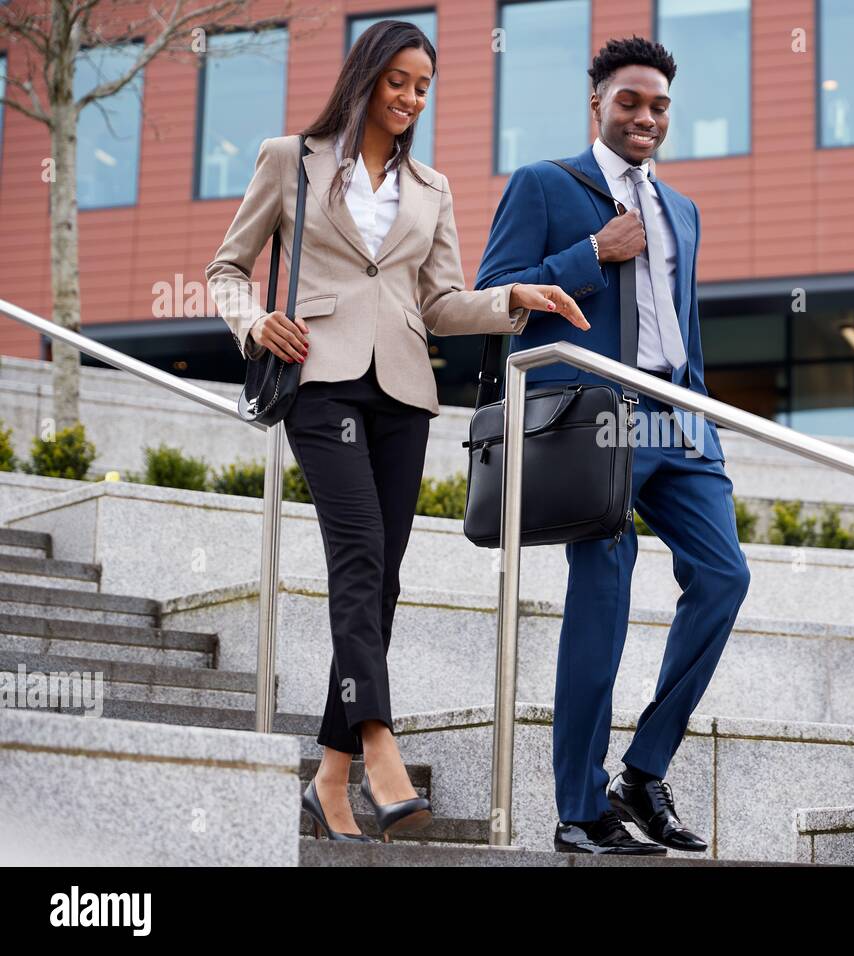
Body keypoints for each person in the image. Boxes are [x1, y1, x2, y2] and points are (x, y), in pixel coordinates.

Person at [206, 20, 585, 843]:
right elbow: (225, 269)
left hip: (404, 392)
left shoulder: (433, 188)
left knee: (384, 583)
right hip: (318, 378)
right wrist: (253, 322)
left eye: (424, 86)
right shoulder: (290, 159)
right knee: (359, 556)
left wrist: (514, 300)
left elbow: (441, 303)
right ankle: (379, 741)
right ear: (367, 76)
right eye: (399, 82)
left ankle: (328, 780)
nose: (411, 98)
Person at [476, 36, 750, 855]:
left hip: (676, 417)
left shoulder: (684, 209)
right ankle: (579, 807)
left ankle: (644, 769)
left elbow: (681, 322)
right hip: (599, 419)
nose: (646, 117)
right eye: (630, 101)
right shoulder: (546, 184)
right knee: (604, 593)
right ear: (597, 103)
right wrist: (592, 253)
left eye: (659, 105)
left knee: (725, 576)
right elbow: (496, 298)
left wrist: (701, 410)